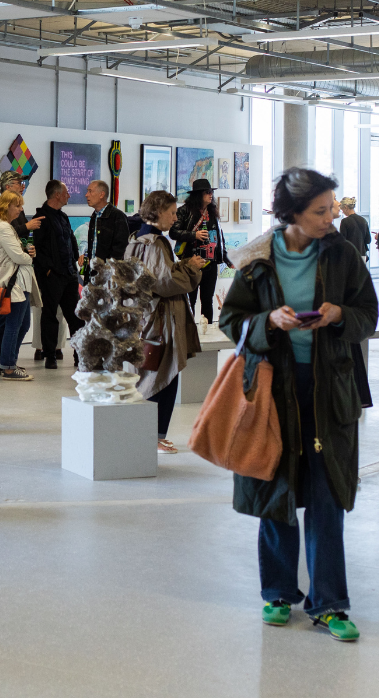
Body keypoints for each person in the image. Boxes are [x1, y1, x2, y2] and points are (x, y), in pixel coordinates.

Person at [219, 168, 377, 642]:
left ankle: (330, 603)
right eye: (321, 211)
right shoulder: (258, 259)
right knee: (277, 490)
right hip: (273, 391)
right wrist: (270, 320)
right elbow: (233, 320)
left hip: (332, 391)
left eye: (331, 208)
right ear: (292, 214)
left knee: (328, 497)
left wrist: (338, 315)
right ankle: (277, 594)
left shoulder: (344, 254)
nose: (332, 218)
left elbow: (369, 313)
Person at [125, 190, 207, 453]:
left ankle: (151, 434)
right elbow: (166, 283)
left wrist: (180, 265)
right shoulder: (156, 242)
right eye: (172, 213)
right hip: (161, 318)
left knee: (149, 372)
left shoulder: (135, 239)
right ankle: (156, 436)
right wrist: (191, 267)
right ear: (158, 212)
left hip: (143, 315)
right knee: (164, 373)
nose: (175, 218)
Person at [0, 171, 41, 374]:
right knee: (7, 324)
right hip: (8, 281)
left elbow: (19, 244)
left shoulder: (6, 224)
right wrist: (28, 255)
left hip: (14, 279)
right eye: (18, 182)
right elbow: (17, 254)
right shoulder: (0, 221)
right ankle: (0, 363)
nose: (22, 184)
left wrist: (26, 250)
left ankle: (7, 361)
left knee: (19, 324)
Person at [32, 180, 84, 370]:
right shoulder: (41, 218)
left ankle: (80, 355)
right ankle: (50, 355)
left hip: (69, 275)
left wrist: (74, 260)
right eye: (66, 193)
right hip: (52, 276)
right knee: (49, 315)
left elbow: (70, 240)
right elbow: (37, 248)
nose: (69, 195)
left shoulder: (63, 217)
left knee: (76, 316)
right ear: (56, 195)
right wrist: (48, 270)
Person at [170, 178, 230, 331]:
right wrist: (194, 235)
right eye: (207, 192)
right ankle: (187, 332)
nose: (211, 195)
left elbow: (219, 239)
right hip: (191, 263)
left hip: (210, 264)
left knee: (207, 300)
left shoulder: (212, 212)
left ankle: (208, 331)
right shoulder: (184, 211)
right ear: (198, 195)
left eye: (211, 192)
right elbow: (173, 232)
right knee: (190, 299)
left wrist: (227, 259)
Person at [79, 179, 131, 284]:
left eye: (90, 191)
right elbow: (95, 246)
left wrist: (107, 272)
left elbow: (120, 250)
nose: (86, 195)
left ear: (101, 194)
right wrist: (86, 256)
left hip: (108, 279)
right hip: (92, 276)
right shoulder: (95, 216)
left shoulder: (117, 217)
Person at [337, 197, 370, 261]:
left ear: (346, 207)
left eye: (342, 210)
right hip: (362, 255)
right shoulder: (363, 220)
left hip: (350, 256)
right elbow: (368, 240)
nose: (343, 212)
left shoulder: (345, 221)